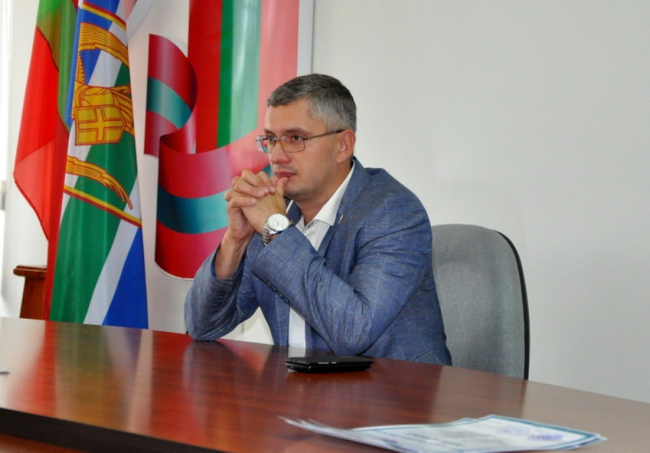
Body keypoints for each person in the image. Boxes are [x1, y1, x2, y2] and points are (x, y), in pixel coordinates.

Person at [184, 74, 451, 365]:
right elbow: (203, 326)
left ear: (343, 145)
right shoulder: (276, 215)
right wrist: (235, 242)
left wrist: (276, 230)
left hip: (393, 390)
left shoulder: (392, 212)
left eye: (295, 138)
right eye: (271, 139)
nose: (277, 156)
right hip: (297, 389)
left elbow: (354, 331)